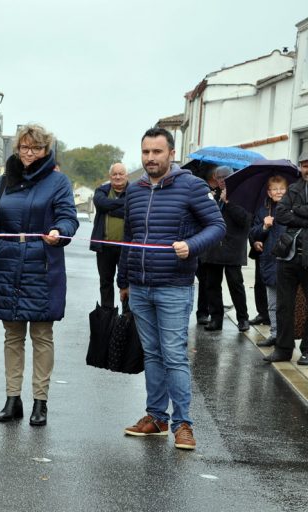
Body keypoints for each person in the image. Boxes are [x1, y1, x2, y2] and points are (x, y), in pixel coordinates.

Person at [117, 127, 225, 450]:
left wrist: (191, 246)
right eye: (146, 152)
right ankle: (156, 418)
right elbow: (128, 238)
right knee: (152, 354)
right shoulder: (134, 191)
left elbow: (217, 227)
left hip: (174, 287)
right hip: (139, 286)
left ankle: (183, 424)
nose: (150, 158)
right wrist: (123, 280)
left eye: (157, 152)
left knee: (174, 355)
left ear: (171, 154)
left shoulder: (191, 187)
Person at [0, 124, 78, 427]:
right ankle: (13, 399)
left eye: (36, 148)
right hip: (7, 261)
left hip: (43, 263)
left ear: (46, 151)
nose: (29, 153)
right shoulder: (3, 181)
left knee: (41, 335)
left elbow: (68, 218)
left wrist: (60, 232)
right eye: (24, 147)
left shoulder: (58, 181)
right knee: (12, 336)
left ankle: (41, 401)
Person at [267, 150, 308, 364]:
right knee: (284, 305)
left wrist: (296, 212)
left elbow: (290, 214)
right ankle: (283, 349)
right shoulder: (294, 188)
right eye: (304, 165)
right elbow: (281, 215)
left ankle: (307, 350)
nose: (306, 169)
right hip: (288, 255)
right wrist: (303, 214)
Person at [199, 166, 251, 332]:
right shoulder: (212, 196)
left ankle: (243, 319)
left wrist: (228, 203)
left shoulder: (242, 195)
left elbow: (244, 221)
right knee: (212, 285)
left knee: (236, 285)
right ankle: (216, 319)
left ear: (232, 176)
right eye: (218, 177)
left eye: (225, 177)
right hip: (214, 248)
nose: (221, 180)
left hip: (233, 248)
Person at [249, 175, 288, 348]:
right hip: (270, 262)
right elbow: (253, 233)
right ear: (268, 192)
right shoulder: (263, 211)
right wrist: (264, 227)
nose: (278, 192)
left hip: (289, 262)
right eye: (274, 189)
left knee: (287, 305)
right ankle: (274, 334)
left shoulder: (293, 208)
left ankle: (286, 337)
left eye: (282, 188)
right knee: (272, 304)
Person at [90, 162, 128, 308]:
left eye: (121, 174)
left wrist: (109, 209)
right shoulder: (101, 191)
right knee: (105, 282)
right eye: (114, 174)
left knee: (126, 283)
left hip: (126, 247)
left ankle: (126, 317)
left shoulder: (134, 191)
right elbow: (101, 203)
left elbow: (129, 210)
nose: (117, 177)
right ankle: (107, 317)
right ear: (110, 176)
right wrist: (121, 205)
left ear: (126, 175)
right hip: (104, 247)